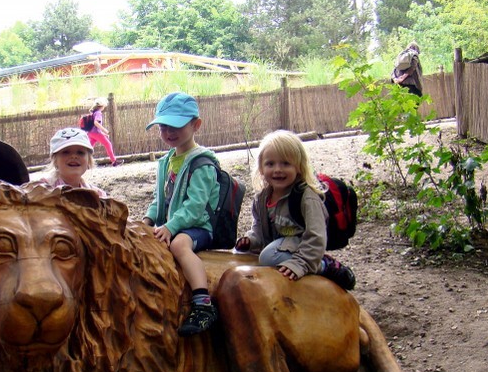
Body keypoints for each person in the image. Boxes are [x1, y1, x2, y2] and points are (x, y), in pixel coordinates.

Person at [235, 130, 355, 290]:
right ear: (261, 168)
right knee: (239, 255)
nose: (277, 169)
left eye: (285, 163)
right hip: (280, 245)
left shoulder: (306, 197)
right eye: (270, 164)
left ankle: (324, 264)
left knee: (268, 257)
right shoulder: (262, 198)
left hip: (303, 245)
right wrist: (250, 240)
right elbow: (259, 229)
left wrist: (301, 263)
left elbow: (316, 235)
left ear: (299, 166)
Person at [143, 92, 220, 337]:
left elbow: (196, 206)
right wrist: (147, 220)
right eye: (163, 127)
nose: (168, 132)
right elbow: (160, 198)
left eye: (175, 126)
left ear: (196, 125)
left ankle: (202, 304)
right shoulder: (167, 161)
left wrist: (171, 226)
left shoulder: (202, 163)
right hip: (174, 224)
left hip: (198, 227)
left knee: (178, 245)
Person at [39, 127, 106, 197]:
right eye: (66, 152)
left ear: (89, 160)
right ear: (55, 159)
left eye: (80, 152)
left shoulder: (97, 196)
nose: (74, 156)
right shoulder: (42, 190)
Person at [86, 97, 121, 166]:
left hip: (90, 133)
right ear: (102, 106)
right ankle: (114, 161)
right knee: (108, 144)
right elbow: (96, 123)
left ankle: (84, 162)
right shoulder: (98, 113)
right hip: (96, 133)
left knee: (89, 148)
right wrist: (105, 131)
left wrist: (102, 133)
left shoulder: (93, 112)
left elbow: (94, 127)